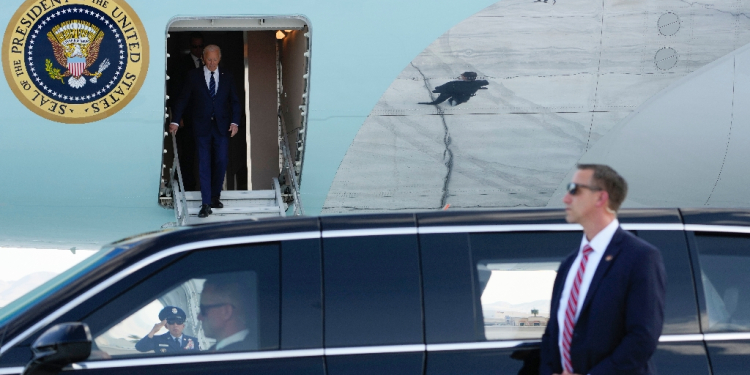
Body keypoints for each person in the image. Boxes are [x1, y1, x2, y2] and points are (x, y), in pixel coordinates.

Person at [539, 164, 666, 375]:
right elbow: (552, 334)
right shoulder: (569, 264)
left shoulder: (640, 257)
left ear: (600, 198)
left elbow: (642, 337)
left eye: (574, 189)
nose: (565, 198)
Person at [170, 44, 241, 218]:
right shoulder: (193, 76)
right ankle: (206, 203)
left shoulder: (227, 76)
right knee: (203, 163)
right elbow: (183, 99)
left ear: (219, 59)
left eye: (215, 59)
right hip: (201, 127)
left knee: (221, 161)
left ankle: (215, 195)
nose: (211, 63)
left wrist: (235, 122)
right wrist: (175, 121)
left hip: (222, 127)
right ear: (203, 59)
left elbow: (235, 102)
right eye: (208, 59)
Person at [168, 32, 205, 192]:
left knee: (206, 152)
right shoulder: (181, 64)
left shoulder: (211, 64)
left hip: (206, 117)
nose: (197, 49)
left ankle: (206, 186)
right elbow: (177, 91)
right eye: (194, 46)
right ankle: (187, 186)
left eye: (200, 46)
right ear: (190, 47)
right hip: (188, 117)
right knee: (188, 152)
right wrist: (179, 116)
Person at [198, 273, 257, 351]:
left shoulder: (244, 353)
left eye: (204, 309)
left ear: (226, 311)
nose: (199, 317)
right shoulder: (252, 347)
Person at [135, 306, 200, 354]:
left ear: (183, 326)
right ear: (166, 326)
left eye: (179, 322)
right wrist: (153, 331)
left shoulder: (193, 341)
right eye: (171, 322)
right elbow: (140, 347)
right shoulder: (158, 340)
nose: (175, 325)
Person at [418, 71, 489, 106]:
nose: (461, 77)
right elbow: (485, 82)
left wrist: (438, 89)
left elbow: (446, 87)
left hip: (457, 94)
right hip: (465, 96)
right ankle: (455, 100)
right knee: (456, 97)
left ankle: (453, 101)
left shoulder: (456, 83)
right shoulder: (477, 83)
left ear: (466, 78)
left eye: (463, 76)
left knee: (448, 94)